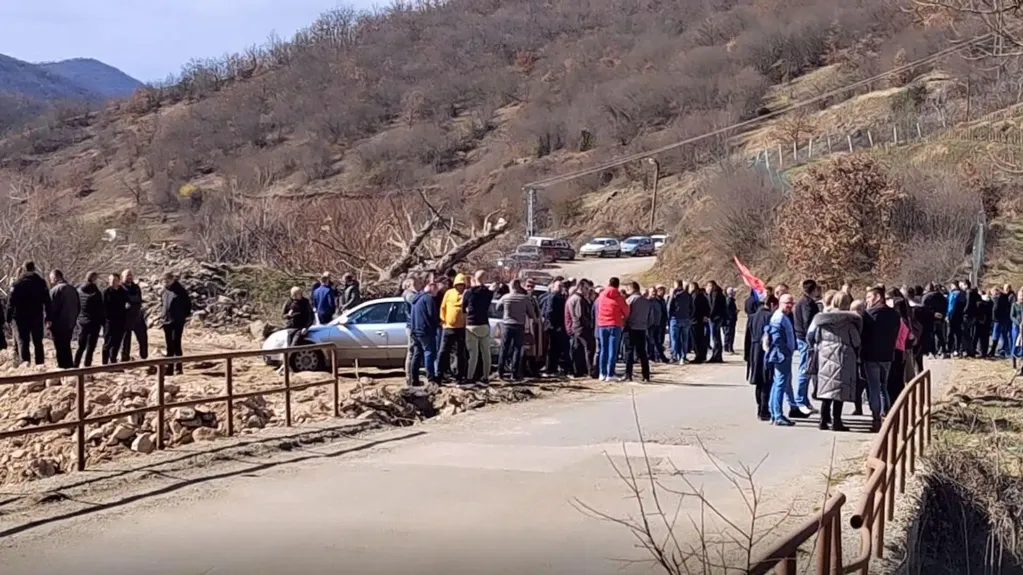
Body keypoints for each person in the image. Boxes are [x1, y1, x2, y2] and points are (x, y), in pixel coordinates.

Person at [806, 291, 860, 432]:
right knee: (839, 391)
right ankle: (837, 421)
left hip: (825, 355)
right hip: (844, 356)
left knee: (826, 389)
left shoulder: (822, 321)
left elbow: (812, 337)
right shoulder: (849, 322)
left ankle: (823, 420)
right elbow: (856, 341)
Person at [862, 286, 901, 432]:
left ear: (878, 297)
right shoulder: (894, 315)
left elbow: (863, 335)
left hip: (871, 355)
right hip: (887, 355)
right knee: (884, 386)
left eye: (869, 298)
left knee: (874, 387)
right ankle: (887, 416)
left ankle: (876, 419)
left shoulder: (869, 314)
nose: (867, 301)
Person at [8, 261, 51, 365]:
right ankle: (40, 366)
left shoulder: (17, 283)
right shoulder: (41, 282)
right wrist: (48, 317)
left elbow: (11, 301)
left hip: (20, 317)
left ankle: (25, 365)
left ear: (24, 268)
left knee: (23, 341)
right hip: (36, 315)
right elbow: (47, 301)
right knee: (38, 342)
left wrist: (8, 317)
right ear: (34, 268)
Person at [766, 294, 797, 426]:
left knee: (777, 383)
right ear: (780, 303)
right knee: (780, 384)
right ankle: (778, 415)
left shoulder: (783, 316)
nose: (789, 306)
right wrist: (785, 352)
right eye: (787, 303)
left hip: (783, 354)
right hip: (781, 356)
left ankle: (774, 413)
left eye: (791, 303)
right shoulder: (778, 318)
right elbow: (776, 337)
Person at [496, 279, 536, 381]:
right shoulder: (524, 298)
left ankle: (500, 372)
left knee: (504, 349)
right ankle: (514, 373)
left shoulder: (505, 297)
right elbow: (531, 314)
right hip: (519, 326)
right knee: (517, 350)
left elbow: (497, 307)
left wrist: (506, 310)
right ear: (518, 286)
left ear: (511, 287)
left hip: (507, 325)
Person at [745, 294, 777, 421]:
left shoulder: (752, 317)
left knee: (758, 380)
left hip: (754, 350)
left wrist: (747, 355)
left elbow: (747, 338)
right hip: (765, 350)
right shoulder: (770, 317)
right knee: (766, 381)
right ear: (772, 305)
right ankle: (764, 409)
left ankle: (759, 407)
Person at [793, 279, 821, 415]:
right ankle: (800, 401)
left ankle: (804, 400)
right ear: (814, 289)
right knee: (805, 370)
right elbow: (808, 323)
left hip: (804, 338)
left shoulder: (804, 302)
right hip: (805, 340)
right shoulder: (807, 304)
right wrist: (812, 339)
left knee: (808, 370)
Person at [463, 270, 495, 385]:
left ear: (474, 278)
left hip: (471, 324)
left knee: (473, 354)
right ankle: (486, 377)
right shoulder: (488, 293)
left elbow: (463, 308)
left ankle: (470, 376)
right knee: (486, 353)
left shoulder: (469, 292)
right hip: (484, 324)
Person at [596, 277, 629, 381]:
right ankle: (610, 374)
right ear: (618, 285)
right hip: (615, 324)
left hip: (602, 324)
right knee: (612, 350)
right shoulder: (619, 297)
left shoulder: (601, 295)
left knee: (603, 350)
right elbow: (626, 311)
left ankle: (602, 373)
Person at [409, 281, 441, 387]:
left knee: (417, 354)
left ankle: (413, 378)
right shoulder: (428, 298)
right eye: (437, 290)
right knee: (429, 353)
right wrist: (437, 324)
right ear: (432, 288)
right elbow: (432, 314)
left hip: (415, 329)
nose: (437, 293)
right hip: (426, 330)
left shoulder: (416, 299)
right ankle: (431, 378)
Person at [439, 273, 469, 383]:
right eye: (458, 284)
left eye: (462, 284)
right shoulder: (448, 293)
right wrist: (443, 321)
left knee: (461, 353)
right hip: (448, 328)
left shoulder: (466, 294)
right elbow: (443, 307)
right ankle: (440, 374)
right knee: (443, 351)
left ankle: (460, 376)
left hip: (461, 328)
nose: (460, 286)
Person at [161, 272, 192, 375]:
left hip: (177, 321)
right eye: (164, 281)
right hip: (166, 321)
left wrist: (182, 316)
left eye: (167, 281)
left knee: (176, 344)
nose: (166, 283)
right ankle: (169, 368)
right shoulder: (165, 291)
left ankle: (178, 367)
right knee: (169, 346)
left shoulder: (180, 291)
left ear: (172, 280)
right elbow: (164, 305)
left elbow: (188, 305)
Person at [48, 269, 79, 368]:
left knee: (60, 347)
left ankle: (62, 367)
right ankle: (69, 365)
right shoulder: (73, 289)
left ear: (56, 277)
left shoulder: (55, 290)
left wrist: (48, 321)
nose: (50, 280)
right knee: (67, 345)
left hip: (58, 324)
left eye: (51, 278)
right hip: (70, 323)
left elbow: (50, 308)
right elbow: (78, 306)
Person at [566, 280, 596, 378]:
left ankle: (578, 371)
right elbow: (580, 315)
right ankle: (590, 371)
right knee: (588, 350)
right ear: (581, 287)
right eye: (586, 288)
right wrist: (589, 324)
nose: (587, 291)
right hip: (582, 328)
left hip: (576, 328)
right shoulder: (579, 299)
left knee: (578, 351)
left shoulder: (573, 298)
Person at [74, 272, 105, 368]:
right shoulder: (96, 292)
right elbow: (100, 308)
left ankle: (75, 365)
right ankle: (87, 366)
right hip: (94, 321)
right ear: (94, 279)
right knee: (90, 347)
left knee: (81, 346)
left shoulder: (78, 290)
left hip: (81, 320)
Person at [624, 282, 652, 382]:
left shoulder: (630, 300)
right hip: (642, 328)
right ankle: (646, 375)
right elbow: (650, 316)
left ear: (632, 289)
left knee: (629, 351)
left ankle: (628, 374)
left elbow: (626, 314)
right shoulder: (646, 301)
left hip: (631, 328)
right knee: (642, 352)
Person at [541, 280, 570, 377]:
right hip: (553, 327)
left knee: (557, 349)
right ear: (553, 287)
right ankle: (549, 369)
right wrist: (555, 325)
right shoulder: (552, 297)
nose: (560, 288)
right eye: (558, 286)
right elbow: (549, 312)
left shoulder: (560, 297)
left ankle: (553, 369)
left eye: (561, 286)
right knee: (552, 349)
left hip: (559, 327)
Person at [120, 270, 148, 362]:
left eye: (131, 275)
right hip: (125, 317)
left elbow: (139, 299)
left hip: (137, 315)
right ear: (122, 277)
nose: (129, 277)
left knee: (143, 337)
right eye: (127, 275)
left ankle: (144, 357)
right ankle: (125, 358)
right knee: (125, 340)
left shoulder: (136, 287)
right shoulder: (120, 288)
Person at [101, 273, 129, 365]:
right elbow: (103, 307)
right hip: (109, 321)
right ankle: (104, 363)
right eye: (111, 280)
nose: (113, 282)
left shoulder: (123, 291)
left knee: (117, 342)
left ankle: (113, 362)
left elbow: (127, 302)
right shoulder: (106, 292)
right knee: (107, 342)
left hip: (120, 320)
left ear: (119, 281)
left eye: (115, 280)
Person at [666, 280, 692, 364]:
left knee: (674, 339)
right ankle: (683, 356)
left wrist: (671, 296)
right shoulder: (688, 295)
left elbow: (669, 307)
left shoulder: (675, 295)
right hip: (686, 318)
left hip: (675, 318)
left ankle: (674, 356)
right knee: (685, 339)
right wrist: (689, 315)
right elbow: (692, 307)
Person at [401, 277, 421, 387]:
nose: (419, 285)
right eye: (417, 283)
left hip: (411, 325)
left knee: (413, 351)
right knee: (412, 351)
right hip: (412, 325)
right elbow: (416, 301)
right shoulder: (409, 294)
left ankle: (412, 376)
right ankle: (410, 377)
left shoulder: (408, 294)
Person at [922, 283, 948, 358]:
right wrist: (943, 314)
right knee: (940, 335)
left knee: (931, 336)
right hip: (940, 318)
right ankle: (944, 351)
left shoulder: (926, 296)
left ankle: (932, 352)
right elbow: (946, 305)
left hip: (930, 318)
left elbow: (923, 308)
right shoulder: (941, 296)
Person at [706, 281, 726, 363]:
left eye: (709, 286)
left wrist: (709, 316)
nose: (708, 288)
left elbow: (713, 305)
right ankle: (718, 355)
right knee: (717, 337)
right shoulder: (720, 293)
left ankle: (716, 355)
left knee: (715, 338)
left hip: (715, 318)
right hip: (719, 317)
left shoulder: (715, 293)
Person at [690, 282, 710, 364]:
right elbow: (707, 307)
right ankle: (702, 355)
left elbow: (693, 308)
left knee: (696, 340)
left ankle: (698, 356)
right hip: (701, 320)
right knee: (701, 339)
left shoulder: (694, 296)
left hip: (695, 320)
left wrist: (690, 317)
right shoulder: (703, 296)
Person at [647, 287, 668, 363]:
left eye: (655, 291)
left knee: (657, 341)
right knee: (650, 342)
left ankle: (661, 357)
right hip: (649, 325)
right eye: (652, 291)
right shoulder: (647, 301)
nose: (654, 293)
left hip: (657, 324)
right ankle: (651, 357)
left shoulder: (658, 301)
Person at [976, 288, 994, 357]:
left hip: (981, 321)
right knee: (986, 337)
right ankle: (985, 352)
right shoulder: (991, 302)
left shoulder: (979, 302)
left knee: (981, 338)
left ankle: (981, 351)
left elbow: (978, 312)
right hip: (988, 321)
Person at [724, 287, 738, 354]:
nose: (735, 293)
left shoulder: (731, 300)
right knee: (728, 333)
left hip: (731, 319)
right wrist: (733, 313)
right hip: (729, 320)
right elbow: (727, 310)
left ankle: (730, 347)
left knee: (731, 334)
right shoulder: (729, 300)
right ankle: (727, 348)